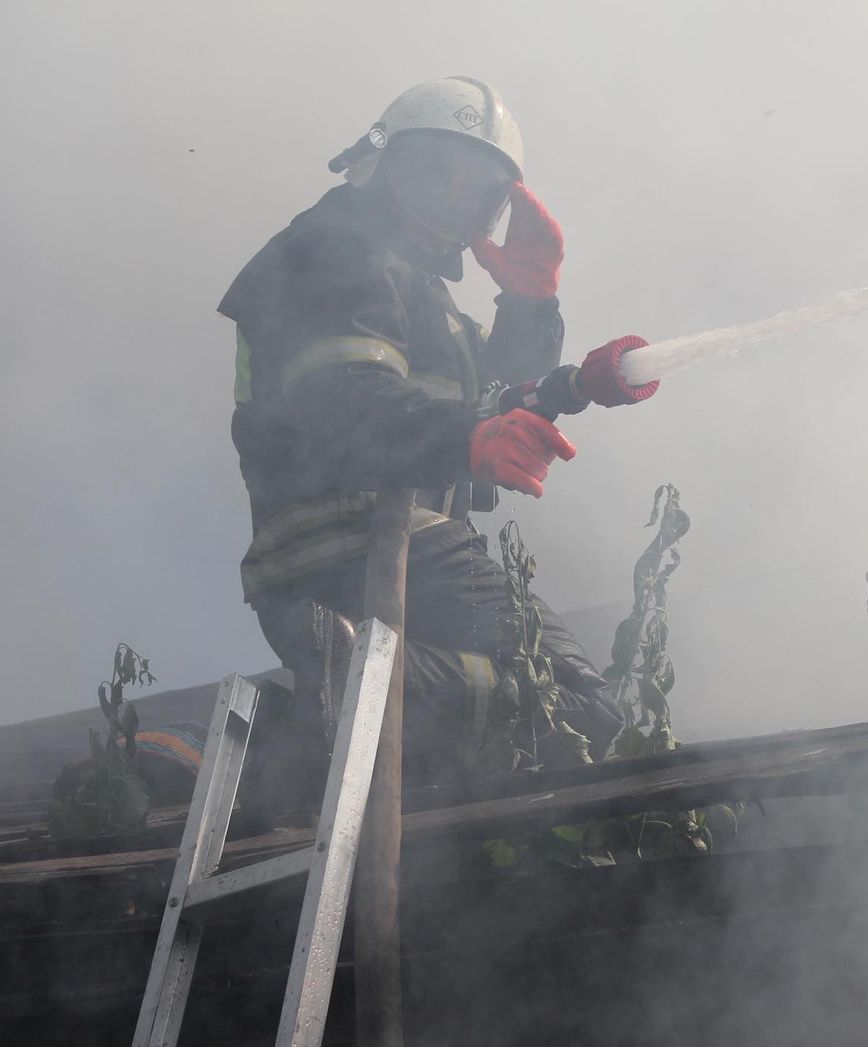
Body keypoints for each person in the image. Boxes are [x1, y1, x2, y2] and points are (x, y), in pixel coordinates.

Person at [217, 76, 658, 816]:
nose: (451, 203)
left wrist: (533, 308)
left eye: (477, 193)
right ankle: (328, 699)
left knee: (462, 729)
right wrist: (469, 433)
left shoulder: (412, 289)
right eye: (434, 175)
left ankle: (274, 744)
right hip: (362, 537)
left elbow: (493, 398)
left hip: (360, 547)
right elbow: (344, 401)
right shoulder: (334, 251)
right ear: (381, 163)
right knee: (574, 703)